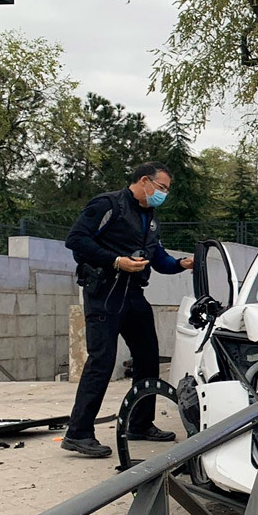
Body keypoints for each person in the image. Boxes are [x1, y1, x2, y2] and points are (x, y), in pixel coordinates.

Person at [62, 162, 194, 458]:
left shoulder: (150, 216)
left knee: (148, 357)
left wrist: (180, 264)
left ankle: (140, 423)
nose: (164, 194)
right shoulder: (108, 204)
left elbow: (157, 257)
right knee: (102, 361)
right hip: (104, 292)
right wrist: (115, 260)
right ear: (144, 181)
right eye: (161, 188)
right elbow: (76, 240)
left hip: (133, 293)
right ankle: (78, 433)